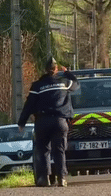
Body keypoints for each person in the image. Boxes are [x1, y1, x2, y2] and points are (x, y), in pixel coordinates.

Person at [18, 57, 80, 187]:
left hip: (42, 121)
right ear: (56, 69)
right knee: (60, 150)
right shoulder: (64, 82)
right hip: (60, 121)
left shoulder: (37, 85)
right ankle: (61, 178)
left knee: (43, 150)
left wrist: (21, 122)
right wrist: (67, 72)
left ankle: (44, 178)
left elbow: (29, 104)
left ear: (45, 70)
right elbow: (76, 84)